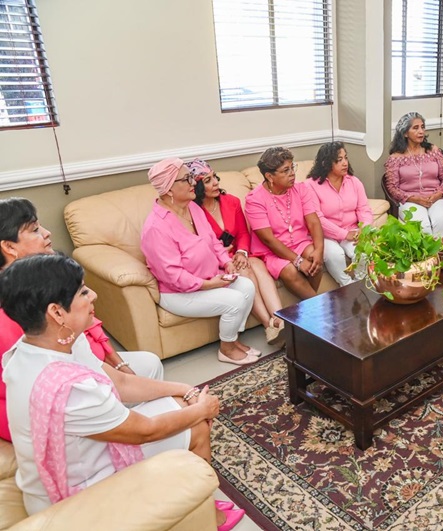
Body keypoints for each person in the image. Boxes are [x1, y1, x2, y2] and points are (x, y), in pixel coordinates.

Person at [0, 254, 244, 529]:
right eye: (82, 291)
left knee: (179, 402)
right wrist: (202, 409)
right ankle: (207, 517)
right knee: (197, 425)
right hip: (74, 490)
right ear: (57, 312)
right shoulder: (71, 389)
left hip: (78, 457)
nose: (93, 295)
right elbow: (146, 431)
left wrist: (185, 390)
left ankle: (195, 504)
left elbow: (122, 383)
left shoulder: (41, 345)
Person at [0, 198, 163, 443]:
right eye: (34, 229)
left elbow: (92, 325)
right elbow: (40, 376)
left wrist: (118, 364)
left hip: (85, 364)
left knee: (150, 364)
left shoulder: (46, 276)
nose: (47, 233)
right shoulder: (17, 305)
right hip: (54, 394)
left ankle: (142, 428)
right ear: (9, 247)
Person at [141, 158, 259, 366]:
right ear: (169, 189)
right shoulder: (156, 228)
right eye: (187, 179)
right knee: (235, 300)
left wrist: (226, 262)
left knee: (247, 286)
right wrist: (208, 284)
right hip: (179, 293)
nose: (193, 182)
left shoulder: (192, 208)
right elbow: (173, 276)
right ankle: (227, 349)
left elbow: (213, 241)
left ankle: (232, 339)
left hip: (210, 278)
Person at [188, 158, 285, 344]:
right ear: (197, 187)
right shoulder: (193, 212)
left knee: (257, 264)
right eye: (207, 180)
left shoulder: (231, 201)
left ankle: (279, 319)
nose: (216, 182)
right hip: (217, 261)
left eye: (214, 177)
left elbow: (242, 233)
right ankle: (269, 326)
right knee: (245, 270)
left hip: (238, 254)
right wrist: (224, 256)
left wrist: (242, 252)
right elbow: (196, 245)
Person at [245, 147, 325, 300]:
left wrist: (319, 250)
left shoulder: (301, 189)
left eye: (292, 167)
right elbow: (268, 239)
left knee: (314, 258)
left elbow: (314, 222)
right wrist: (298, 261)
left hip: (300, 243)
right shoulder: (254, 200)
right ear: (270, 176)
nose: (292, 173)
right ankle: (318, 305)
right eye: (285, 170)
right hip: (271, 251)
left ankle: (309, 304)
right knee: (289, 271)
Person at [305, 142, 374, 286]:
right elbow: (317, 218)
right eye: (339, 160)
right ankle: (347, 286)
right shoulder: (310, 185)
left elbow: (364, 209)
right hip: (325, 235)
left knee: (363, 252)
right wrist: (343, 234)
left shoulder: (354, 182)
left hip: (352, 230)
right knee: (335, 254)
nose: (345, 163)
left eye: (346, 158)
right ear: (325, 163)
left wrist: (364, 229)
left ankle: (361, 285)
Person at [384, 112, 443, 239]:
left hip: (436, 198)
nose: (421, 131)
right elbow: (392, 188)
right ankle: (427, 253)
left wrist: (437, 195)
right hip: (410, 200)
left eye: (422, 127)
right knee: (423, 227)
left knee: (441, 221)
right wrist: (414, 199)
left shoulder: (433, 150)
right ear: (405, 133)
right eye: (415, 128)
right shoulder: (395, 158)